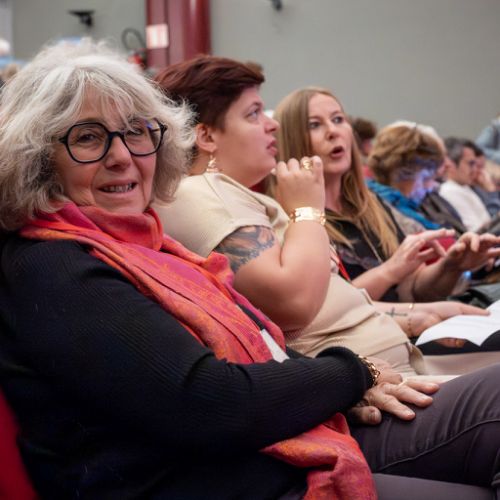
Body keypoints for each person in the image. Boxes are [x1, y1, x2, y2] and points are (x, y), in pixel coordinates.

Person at [4, 40, 500, 500]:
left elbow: (272, 347)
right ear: (38, 159)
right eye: (88, 138)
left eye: (136, 132)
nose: (121, 155)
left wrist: (375, 354)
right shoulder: (56, 264)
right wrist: (353, 371)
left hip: (300, 426)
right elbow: (218, 393)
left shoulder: (145, 243)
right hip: (252, 471)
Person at [155, 55, 500, 379]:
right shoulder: (202, 194)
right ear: (207, 135)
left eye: (338, 120)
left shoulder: (242, 197)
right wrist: (308, 210)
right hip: (367, 378)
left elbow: (338, 304)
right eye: (254, 114)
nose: (272, 124)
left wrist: (416, 313)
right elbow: (294, 306)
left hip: (392, 361)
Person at [273, 91, 500, 304]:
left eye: (338, 119)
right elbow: (323, 307)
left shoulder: (371, 203)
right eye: (314, 125)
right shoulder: (291, 216)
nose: (333, 131)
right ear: (291, 139)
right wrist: (391, 273)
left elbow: (412, 289)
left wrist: (452, 266)